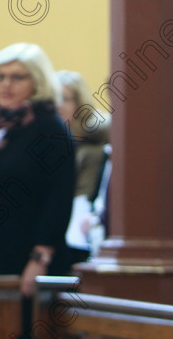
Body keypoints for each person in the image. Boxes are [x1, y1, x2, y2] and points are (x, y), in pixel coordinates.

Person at [0, 43, 76, 297]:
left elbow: (58, 200)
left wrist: (39, 259)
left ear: (37, 82)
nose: (6, 84)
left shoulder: (49, 128)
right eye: (0, 77)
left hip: (24, 252)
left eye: (17, 77)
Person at [55, 70, 110, 263]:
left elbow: (82, 200)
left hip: (78, 234)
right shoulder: (50, 143)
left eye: (64, 98)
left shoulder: (92, 149)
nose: (57, 105)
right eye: (53, 98)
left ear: (80, 105)